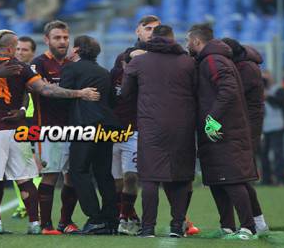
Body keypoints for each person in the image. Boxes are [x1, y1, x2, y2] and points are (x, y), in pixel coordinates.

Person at [0, 29, 100, 235]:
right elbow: (46, 90)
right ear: (11, 48)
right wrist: (78, 93)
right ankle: (35, 223)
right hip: (17, 132)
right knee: (24, 178)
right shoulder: (22, 68)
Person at [121, 25, 197, 238]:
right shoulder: (188, 62)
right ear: (173, 39)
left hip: (151, 126)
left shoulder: (139, 62)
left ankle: (148, 229)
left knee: (150, 179)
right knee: (181, 177)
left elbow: (126, 94)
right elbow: (198, 92)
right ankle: (176, 227)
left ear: (152, 39)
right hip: (183, 126)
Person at [186, 24, 258, 240]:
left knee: (233, 179)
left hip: (225, 131)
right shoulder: (208, 60)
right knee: (217, 179)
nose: (186, 45)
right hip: (215, 131)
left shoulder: (213, 60)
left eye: (188, 41)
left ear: (197, 42)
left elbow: (229, 91)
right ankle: (227, 226)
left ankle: (248, 228)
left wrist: (212, 119)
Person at [60, 35, 119, 234]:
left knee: (78, 171)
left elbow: (62, 97)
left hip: (85, 126)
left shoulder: (71, 68)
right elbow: (111, 100)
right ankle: (111, 219)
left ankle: (95, 217)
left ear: (76, 50)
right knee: (103, 173)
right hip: (108, 125)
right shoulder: (104, 72)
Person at [110, 15, 159, 235]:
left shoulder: (162, 59)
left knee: (133, 176)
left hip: (143, 127)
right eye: (147, 28)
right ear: (137, 32)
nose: (151, 32)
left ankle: (124, 218)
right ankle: (129, 215)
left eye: (155, 29)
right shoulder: (123, 57)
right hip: (118, 127)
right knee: (117, 179)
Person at [31, 20, 80, 235]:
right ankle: (46, 225)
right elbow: (45, 91)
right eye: (57, 37)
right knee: (50, 175)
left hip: (75, 128)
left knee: (73, 176)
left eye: (65, 37)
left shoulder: (74, 63)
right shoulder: (38, 64)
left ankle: (65, 221)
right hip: (49, 128)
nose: (62, 41)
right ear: (47, 40)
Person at [222, 38, 269, 233]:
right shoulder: (246, 66)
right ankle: (254, 222)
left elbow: (234, 94)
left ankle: (257, 222)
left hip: (247, 129)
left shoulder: (246, 70)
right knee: (239, 176)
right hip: (245, 127)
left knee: (240, 177)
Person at [12, 35, 42, 219]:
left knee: (35, 164)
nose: (20, 52)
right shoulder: (10, 69)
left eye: (24, 49)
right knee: (20, 165)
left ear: (32, 53)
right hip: (17, 120)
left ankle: (32, 205)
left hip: (34, 120)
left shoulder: (35, 71)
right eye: (17, 49)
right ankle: (25, 205)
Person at [262, 70, 284, 185]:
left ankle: (280, 179)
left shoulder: (279, 89)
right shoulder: (260, 90)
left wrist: (267, 96)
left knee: (278, 153)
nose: (265, 81)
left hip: (277, 125)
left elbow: (280, 103)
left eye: (266, 79)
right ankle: (266, 179)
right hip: (264, 126)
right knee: (264, 153)